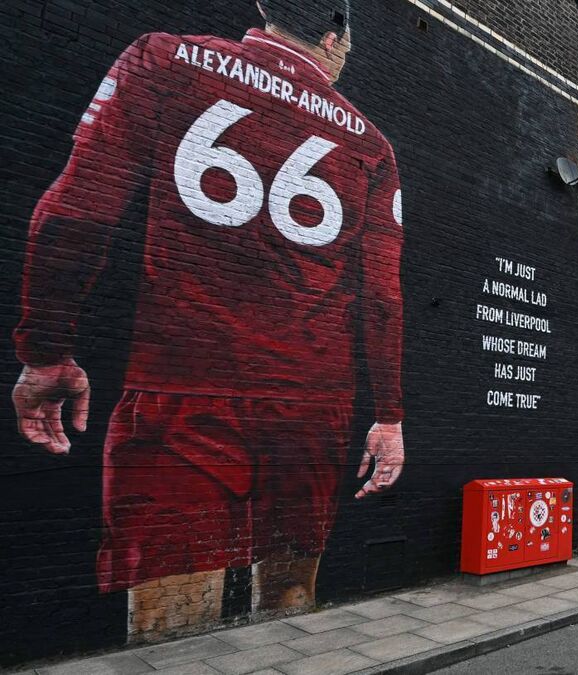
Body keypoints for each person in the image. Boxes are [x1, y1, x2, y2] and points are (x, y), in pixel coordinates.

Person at [11, 0, 405, 639]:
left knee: (172, 615)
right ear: (335, 39)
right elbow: (383, 299)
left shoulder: (165, 59)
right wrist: (389, 416)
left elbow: (76, 211)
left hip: (183, 387)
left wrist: (46, 350)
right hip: (312, 404)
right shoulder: (369, 143)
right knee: (290, 597)